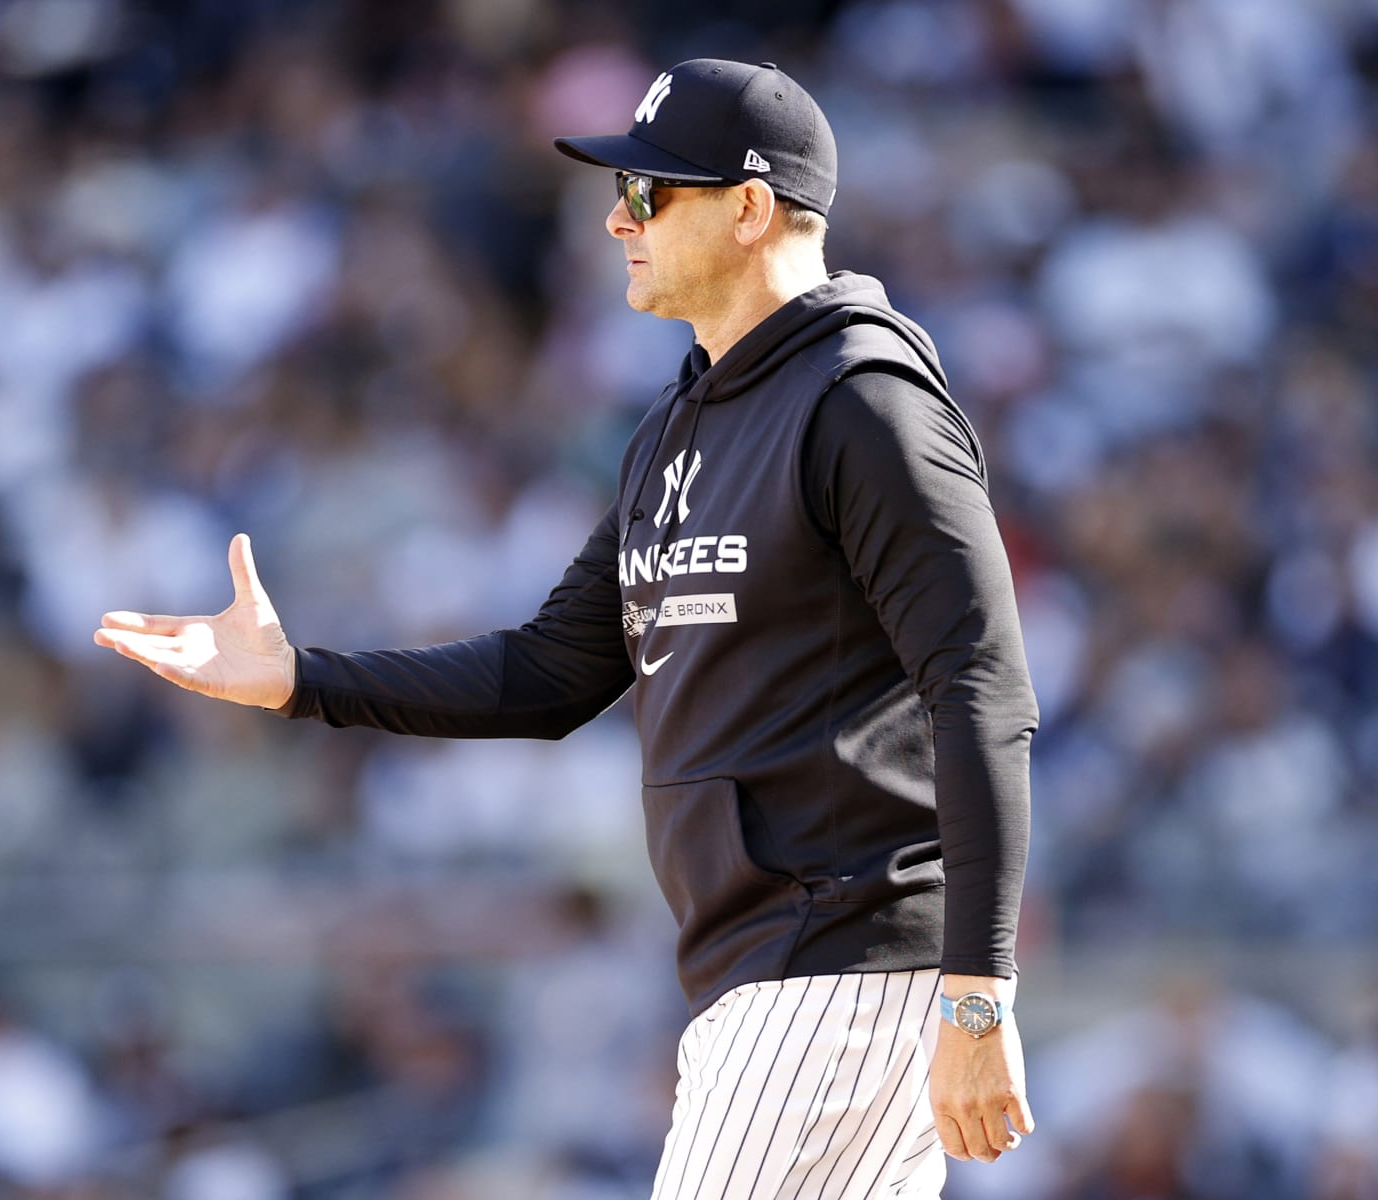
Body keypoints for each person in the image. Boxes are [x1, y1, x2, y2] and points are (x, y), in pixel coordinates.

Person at [95, 57, 1039, 1198]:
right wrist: (302, 680)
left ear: (748, 208)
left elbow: (980, 692)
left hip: (839, 967)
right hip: (754, 977)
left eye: (649, 194)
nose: (615, 217)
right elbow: (549, 673)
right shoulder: (679, 427)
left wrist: (979, 994)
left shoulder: (865, 402)